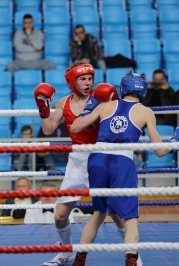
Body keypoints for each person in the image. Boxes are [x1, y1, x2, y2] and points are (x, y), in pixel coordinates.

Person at [70, 70, 179, 266]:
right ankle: (132, 262)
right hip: (121, 163)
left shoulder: (105, 106)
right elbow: (159, 151)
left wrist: (87, 108)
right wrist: (176, 142)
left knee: (98, 214)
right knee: (130, 218)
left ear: (123, 88)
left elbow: (75, 128)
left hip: (97, 159)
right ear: (143, 91)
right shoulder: (145, 112)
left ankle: (79, 260)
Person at [34, 63, 143, 266]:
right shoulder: (64, 103)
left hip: (102, 158)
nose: (87, 83)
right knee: (60, 216)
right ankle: (66, 251)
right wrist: (43, 109)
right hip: (77, 161)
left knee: (117, 214)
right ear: (72, 82)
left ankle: (133, 255)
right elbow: (48, 129)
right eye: (83, 79)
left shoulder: (104, 98)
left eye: (90, 78)